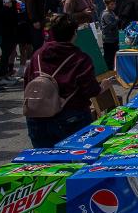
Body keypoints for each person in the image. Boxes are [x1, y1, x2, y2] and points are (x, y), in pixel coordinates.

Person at [24, 14, 105, 147]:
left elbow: (28, 83)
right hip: (70, 115)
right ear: (74, 33)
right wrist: (102, 87)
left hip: (37, 116)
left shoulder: (37, 55)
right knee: (77, 161)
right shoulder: (79, 58)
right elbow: (90, 90)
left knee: (44, 163)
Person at [100, 0, 120, 70]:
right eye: (111, 4)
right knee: (109, 56)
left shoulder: (111, 12)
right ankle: (108, 70)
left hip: (113, 38)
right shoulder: (106, 14)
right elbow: (111, 25)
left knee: (113, 55)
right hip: (108, 39)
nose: (114, 6)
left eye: (114, 4)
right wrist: (116, 20)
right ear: (107, 5)